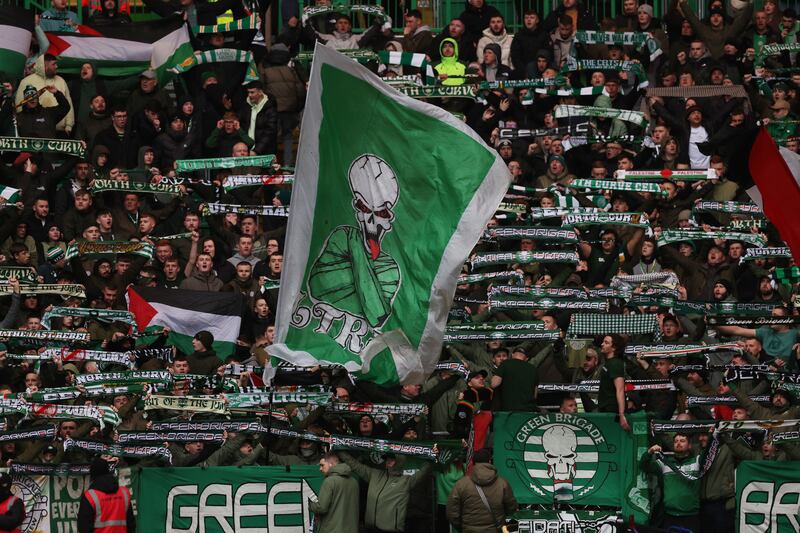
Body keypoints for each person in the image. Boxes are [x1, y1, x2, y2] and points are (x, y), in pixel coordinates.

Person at [446, 448, 517, 533]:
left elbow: (452, 513)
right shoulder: (502, 484)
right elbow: (511, 508)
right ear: (490, 461)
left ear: (473, 463)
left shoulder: (461, 484)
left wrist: (463, 527)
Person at [641, 433, 702, 531]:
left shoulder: (697, 461)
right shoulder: (665, 463)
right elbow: (644, 465)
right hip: (670, 516)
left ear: (690, 445)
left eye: (682, 441)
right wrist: (650, 452)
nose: (678, 443)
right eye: (676, 441)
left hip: (691, 516)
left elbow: (710, 453)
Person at [77, 457, 135, 532]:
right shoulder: (124, 493)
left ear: (93, 474)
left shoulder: (90, 497)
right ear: (107, 471)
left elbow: (83, 528)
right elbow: (131, 524)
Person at [308, 452, 360, 533]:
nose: (320, 469)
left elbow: (322, 508)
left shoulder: (329, 481)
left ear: (330, 464)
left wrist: (308, 504)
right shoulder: (354, 481)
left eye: (322, 465)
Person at [597, 334, 630, 431]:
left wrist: (621, 414)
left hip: (612, 412)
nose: (602, 344)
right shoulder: (608, 362)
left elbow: (620, 390)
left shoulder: (615, 364)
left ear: (614, 347)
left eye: (606, 343)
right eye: (603, 342)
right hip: (605, 409)